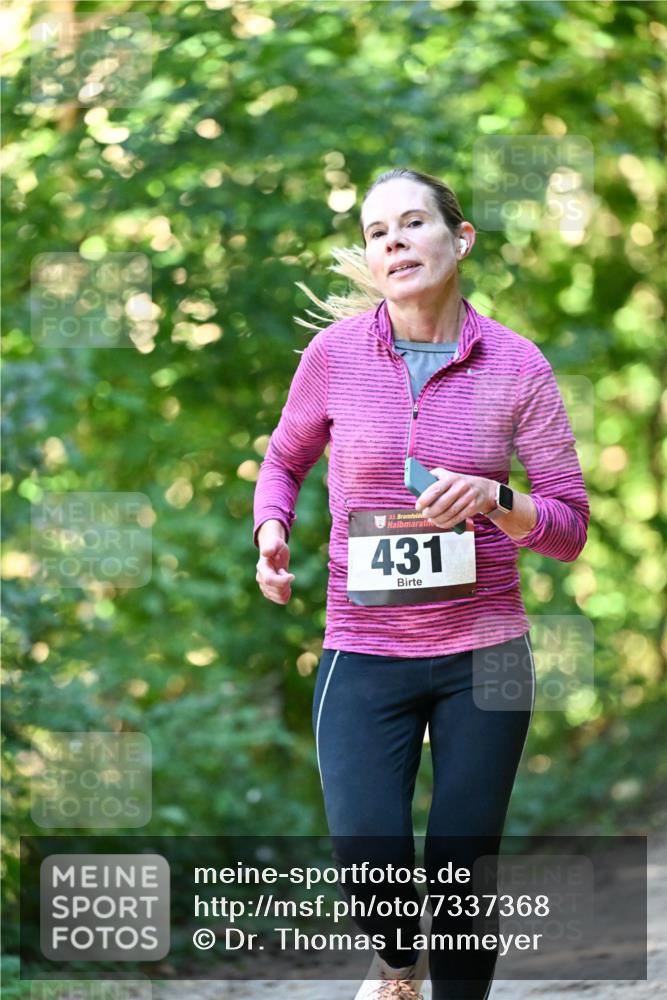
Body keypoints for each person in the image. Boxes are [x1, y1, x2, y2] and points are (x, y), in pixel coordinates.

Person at [252, 168, 590, 1000]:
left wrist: (496, 497)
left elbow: (569, 525)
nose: (394, 241)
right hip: (362, 650)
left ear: (459, 238)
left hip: (487, 655)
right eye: (377, 232)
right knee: (369, 857)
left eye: (412, 223)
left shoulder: (516, 365)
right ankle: (399, 964)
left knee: (463, 871)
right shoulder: (332, 356)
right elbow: (284, 459)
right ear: (370, 260)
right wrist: (270, 531)